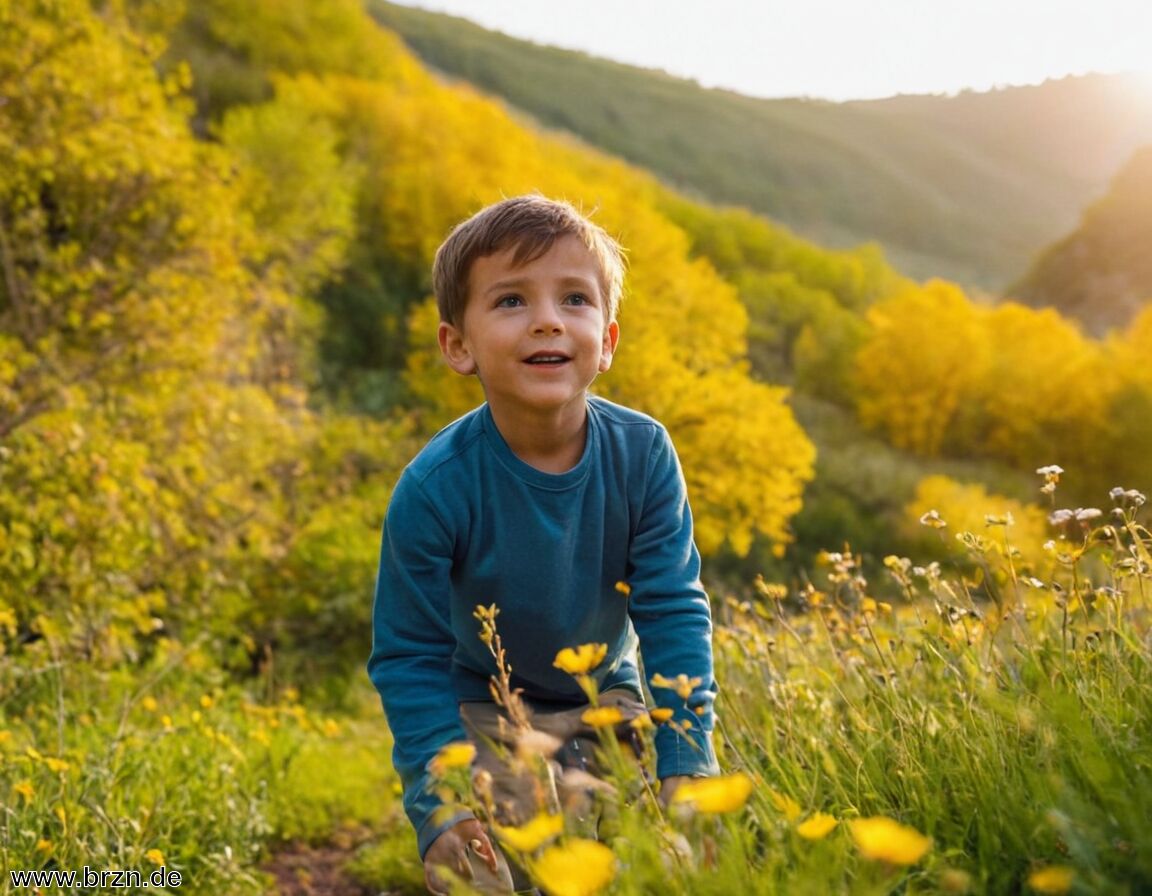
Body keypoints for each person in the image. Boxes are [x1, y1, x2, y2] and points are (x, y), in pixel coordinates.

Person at [368, 195, 719, 895]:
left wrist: (686, 753)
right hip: (487, 704)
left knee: (666, 853)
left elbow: (673, 610)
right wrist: (439, 807)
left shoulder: (643, 454)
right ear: (457, 345)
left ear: (608, 338)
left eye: (574, 299)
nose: (549, 319)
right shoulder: (435, 487)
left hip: (606, 693)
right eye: (510, 301)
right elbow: (409, 654)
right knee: (487, 868)